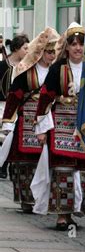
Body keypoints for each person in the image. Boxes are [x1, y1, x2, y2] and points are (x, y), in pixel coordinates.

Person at [33, 22, 85, 230]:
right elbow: (45, 97)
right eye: (74, 44)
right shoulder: (58, 69)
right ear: (67, 47)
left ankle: (74, 210)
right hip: (61, 123)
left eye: (81, 44)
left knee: (83, 171)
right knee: (62, 170)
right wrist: (41, 129)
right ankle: (62, 214)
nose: (78, 48)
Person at [0, 28, 59, 211]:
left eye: (54, 52)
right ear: (40, 52)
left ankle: (43, 197)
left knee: (44, 160)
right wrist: (8, 120)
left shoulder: (56, 71)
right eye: (49, 52)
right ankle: (27, 199)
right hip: (26, 118)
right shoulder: (26, 70)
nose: (51, 55)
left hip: (47, 119)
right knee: (24, 162)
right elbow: (15, 94)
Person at [0, 34, 29, 179]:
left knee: (14, 136)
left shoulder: (28, 66)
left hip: (21, 106)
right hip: (3, 105)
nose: (27, 51)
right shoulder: (3, 66)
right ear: (17, 48)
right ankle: (4, 164)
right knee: (5, 136)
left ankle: (8, 165)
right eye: (25, 48)